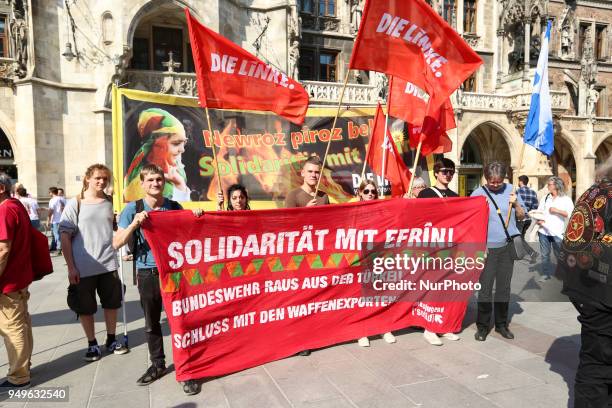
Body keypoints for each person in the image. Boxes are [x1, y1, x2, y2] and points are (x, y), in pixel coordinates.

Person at [113, 164, 202, 395]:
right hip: (147, 273)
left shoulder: (173, 206)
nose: (155, 184)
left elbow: (190, 234)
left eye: (159, 180)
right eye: (150, 180)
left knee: (180, 322)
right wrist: (134, 224)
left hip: (174, 273)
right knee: (152, 323)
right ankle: (158, 364)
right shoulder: (132, 209)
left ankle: (187, 368)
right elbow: (116, 242)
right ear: (142, 184)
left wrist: (197, 217)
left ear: (164, 183)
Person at [59, 164, 127, 362]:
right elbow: (64, 236)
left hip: (108, 264)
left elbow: (113, 230)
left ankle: (112, 339)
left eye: (105, 178)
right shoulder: (76, 203)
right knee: (85, 307)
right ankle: (92, 343)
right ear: (87, 178)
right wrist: (71, 266)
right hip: (83, 266)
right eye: (97, 178)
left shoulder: (109, 201)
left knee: (111, 303)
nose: (101, 182)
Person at [560, 156, 612, 408]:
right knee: (600, 367)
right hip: (605, 293)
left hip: (585, 289)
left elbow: (572, 241)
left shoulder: (591, 192)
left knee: (593, 361)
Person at [471, 162, 526, 341]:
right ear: (486, 178)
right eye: (491, 181)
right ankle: (482, 326)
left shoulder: (511, 189)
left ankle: (502, 325)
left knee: (503, 288)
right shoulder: (478, 194)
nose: (495, 184)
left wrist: (516, 203)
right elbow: (472, 223)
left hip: (506, 248)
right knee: (485, 289)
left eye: (498, 181)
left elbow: (522, 216)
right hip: (487, 249)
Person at [285, 156, 329, 356]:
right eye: (310, 171)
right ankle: (300, 341)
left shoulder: (324, 196)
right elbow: (287, 226)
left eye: (316, 172)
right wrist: (305, 212)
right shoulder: (293, 195)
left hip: (320, 257)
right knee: (301, 300)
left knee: (318, 297)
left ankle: (317, 333)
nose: (313, 175)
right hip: (300, 258)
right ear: (302, 173)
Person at [416, 159, 461, 345]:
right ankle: (429, 328)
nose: (448, 174)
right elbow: (416, 219)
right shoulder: (426, 194)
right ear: (436, 173)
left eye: (451, 172)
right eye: (444, 171)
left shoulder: (455, 195)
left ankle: (443, 325)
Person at [0, 172, 33, 389]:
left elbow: (2, 249)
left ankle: (19, 376)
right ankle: (24, 366)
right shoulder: (16, 205)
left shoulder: (3, 210)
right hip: (19, 276)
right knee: (22, 323)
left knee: (12, 327)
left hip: (7, 280)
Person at [355, 180, 396, 347]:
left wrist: (408, 202)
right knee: (361, 298)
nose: (370, 194)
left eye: (373, 191)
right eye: (367, 191)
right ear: (360, 193)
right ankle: (361, 332)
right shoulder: (354, 211)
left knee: (380, 294)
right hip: (359, 257)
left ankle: (384, 328)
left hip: (379, 257)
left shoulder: (382, 210)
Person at [123, 108, 190, 202]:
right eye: (176, 143)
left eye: (184, 143)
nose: (182, 150)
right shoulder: (142, 183)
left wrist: (180, 185)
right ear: (157, 145)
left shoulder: (174, 176)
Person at [536, 176, 574, 282]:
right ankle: (545, 274)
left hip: (557, 232)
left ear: (556, 186)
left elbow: (571, 214)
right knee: (544, 254)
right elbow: (540, 211)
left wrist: (557, 211)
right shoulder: (545, 198)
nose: (548, 186)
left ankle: (564, 274)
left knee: (560, 254)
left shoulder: (566, 199)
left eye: (549, 184)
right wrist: (538, 219)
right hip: (543, 231)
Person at [516, 175, 539, 263]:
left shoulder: (517, 192)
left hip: (519, 218)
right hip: (528, 218)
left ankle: (532, 252)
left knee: (518, 237)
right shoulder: (532, 192)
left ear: (520, 182)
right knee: (520, 237)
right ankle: (520, 253)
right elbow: (535, 206)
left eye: (518, 181)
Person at [47, 187, 64, 255]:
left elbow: (51, 210)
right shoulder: (63, 199)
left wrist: (48, 219)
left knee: (57, 235)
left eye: (49, 192)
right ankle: (63, 249)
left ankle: (60, 249)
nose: (49, 194)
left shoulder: (52, 200)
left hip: (56, 220)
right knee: (62, 235)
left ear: (51, 192)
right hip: (64, 220)